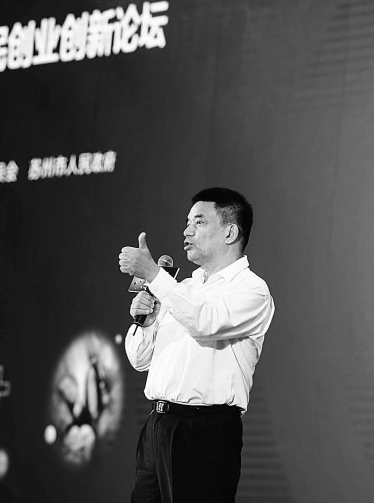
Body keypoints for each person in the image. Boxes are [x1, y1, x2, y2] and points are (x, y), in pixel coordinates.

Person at [118, 187, 275, 503]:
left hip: (203, 430)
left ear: (230, 232)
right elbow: (140, 359)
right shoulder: (184, 288)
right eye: (187, 222)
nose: (187, 231)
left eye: (199, 222)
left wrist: (154, 275)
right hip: (157, 424)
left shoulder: (252, 290)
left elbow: (205, 323)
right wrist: (146, 323)